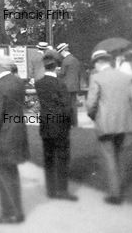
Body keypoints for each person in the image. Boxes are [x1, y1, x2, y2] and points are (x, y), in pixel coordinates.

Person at [86, 49, 132, 205]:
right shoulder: (125, 77)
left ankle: (115, 195)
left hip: (105, 124)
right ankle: (119, 189)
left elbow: (91, 104)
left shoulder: (96, 77)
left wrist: (93, 116)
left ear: (97, 63)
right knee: (119, 155)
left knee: (109, 157)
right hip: (123, 123)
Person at [0, 55, 29, 224]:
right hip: (17, 133)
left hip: (2, 137)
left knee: (3, 175)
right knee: (12, 174)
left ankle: (10, 213)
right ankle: (17, 211)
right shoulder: (18, 83)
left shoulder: (0, 87)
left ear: (1, 67)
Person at [35, 50, 76, 201]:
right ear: (57, 66)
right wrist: (69, 121)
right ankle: (62, 190)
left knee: (49, 157)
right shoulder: (60, 84)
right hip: (60, 125)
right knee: (62, 158)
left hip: (46, 123)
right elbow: (67, 107)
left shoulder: (39, 84)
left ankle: (51, 190)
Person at [57, 43, 82, 127]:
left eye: (60, 52)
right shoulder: (75, 59)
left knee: (67, 105)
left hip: (67, 86)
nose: (61, 54)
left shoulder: (65, 60)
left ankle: (67, 122)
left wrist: (57, 71)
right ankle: (75, 123)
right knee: (73, 105)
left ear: (63, 51)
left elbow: (62, 73)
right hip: (75, 85)